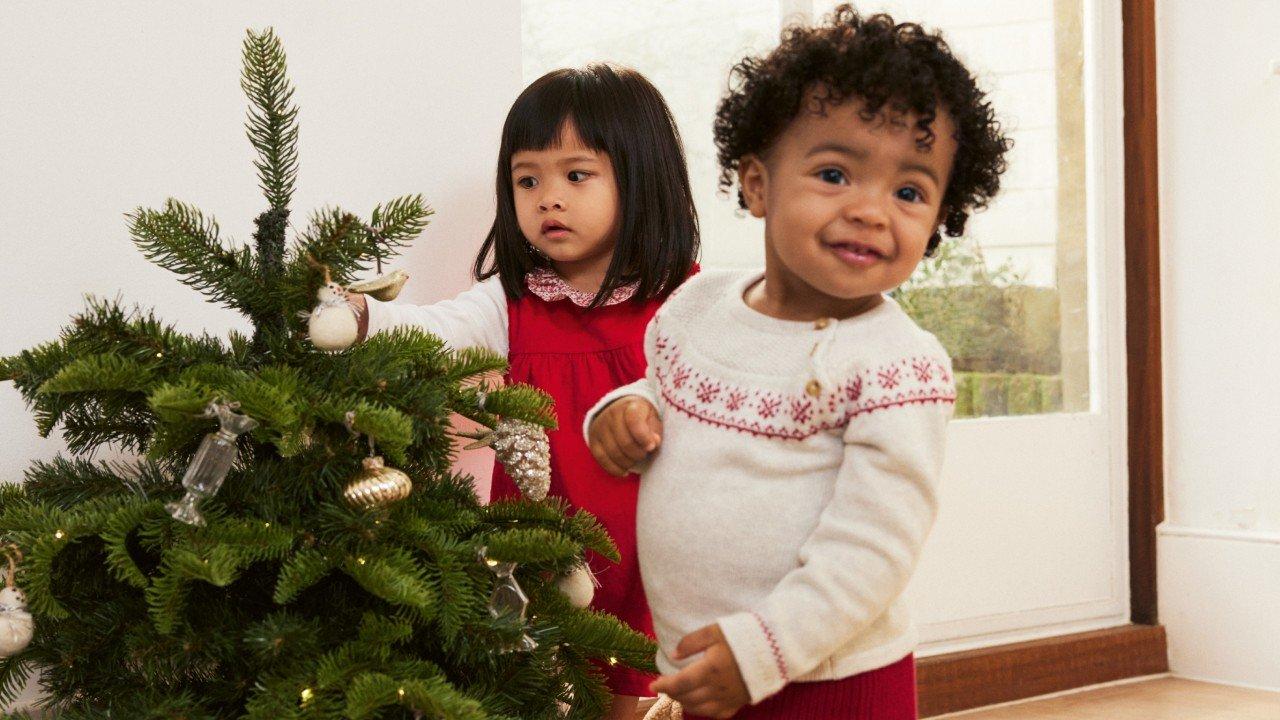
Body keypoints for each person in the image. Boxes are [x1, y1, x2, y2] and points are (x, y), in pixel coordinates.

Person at [585, 6, 1010, 718]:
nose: (873, 210)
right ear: (756, 184)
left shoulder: (898, 368)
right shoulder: (698, 308)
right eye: (836, 173)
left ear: (939, 217)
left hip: (835, 684)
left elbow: (873, 551)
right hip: (701, 666)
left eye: (909, 191)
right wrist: (624, 414)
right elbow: (663, 393)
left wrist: (762, 653)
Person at [351, 63, 700, 719]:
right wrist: (361, 318)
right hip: (541, 569)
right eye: (527, 179)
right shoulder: (514, 302)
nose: (548, 197)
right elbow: (436, 330)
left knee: (644, 705)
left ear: (640, 178)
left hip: (659, 567)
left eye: (576, 175)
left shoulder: (689, 304)